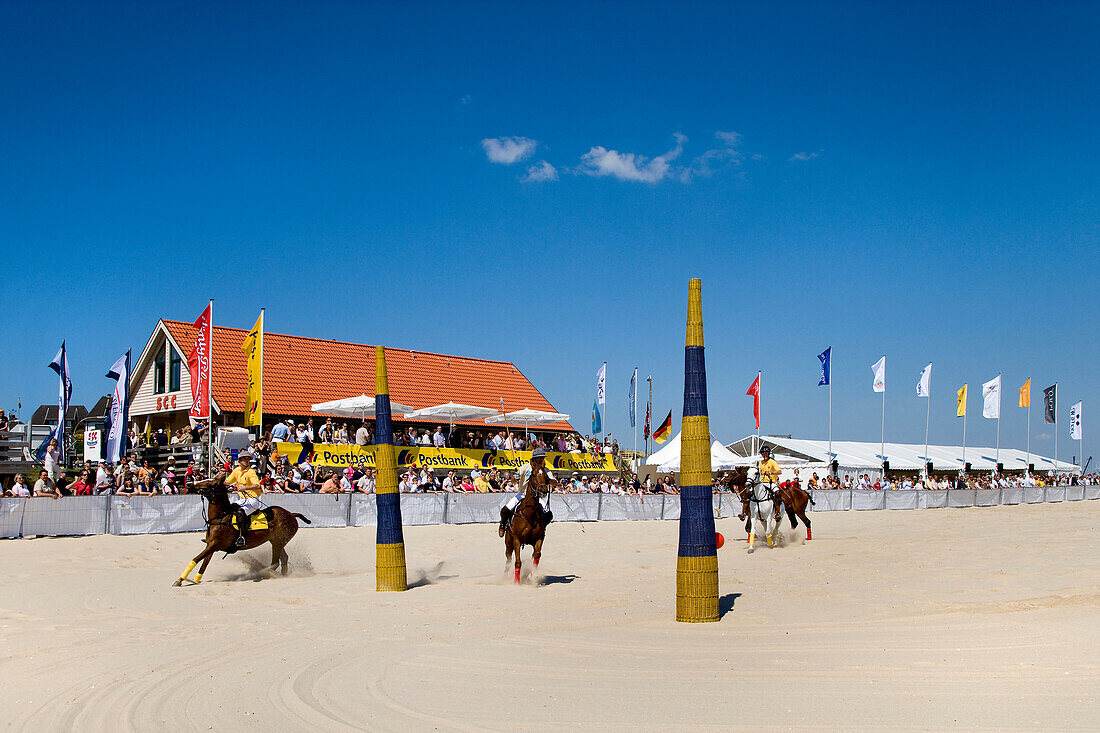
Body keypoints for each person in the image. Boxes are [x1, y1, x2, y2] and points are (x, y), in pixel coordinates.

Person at [498, 448, 555, 537]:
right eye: (539, 457)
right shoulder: (525, 467)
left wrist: (548, 479)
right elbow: (514, 479)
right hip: (522, 494)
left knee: (548, 514)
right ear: (535, 458)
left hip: (539, 496)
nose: (541, 459)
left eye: (543, 457)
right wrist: (515, 478)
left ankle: (541, 529)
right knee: (505, 510)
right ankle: (502, 525)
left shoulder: (545, 470)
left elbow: (554, 482)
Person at [224, 453, 262, 546]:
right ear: (240, 460)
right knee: (228, 509)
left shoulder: (251, 472)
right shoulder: (236, 470)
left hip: (253, 500)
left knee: (240, 512)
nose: (247, 460)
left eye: (248, 459)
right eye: (245, 459)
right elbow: (227, 482)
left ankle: (242, 537)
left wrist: (243, 488)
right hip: (242, 499)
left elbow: (257, 485)